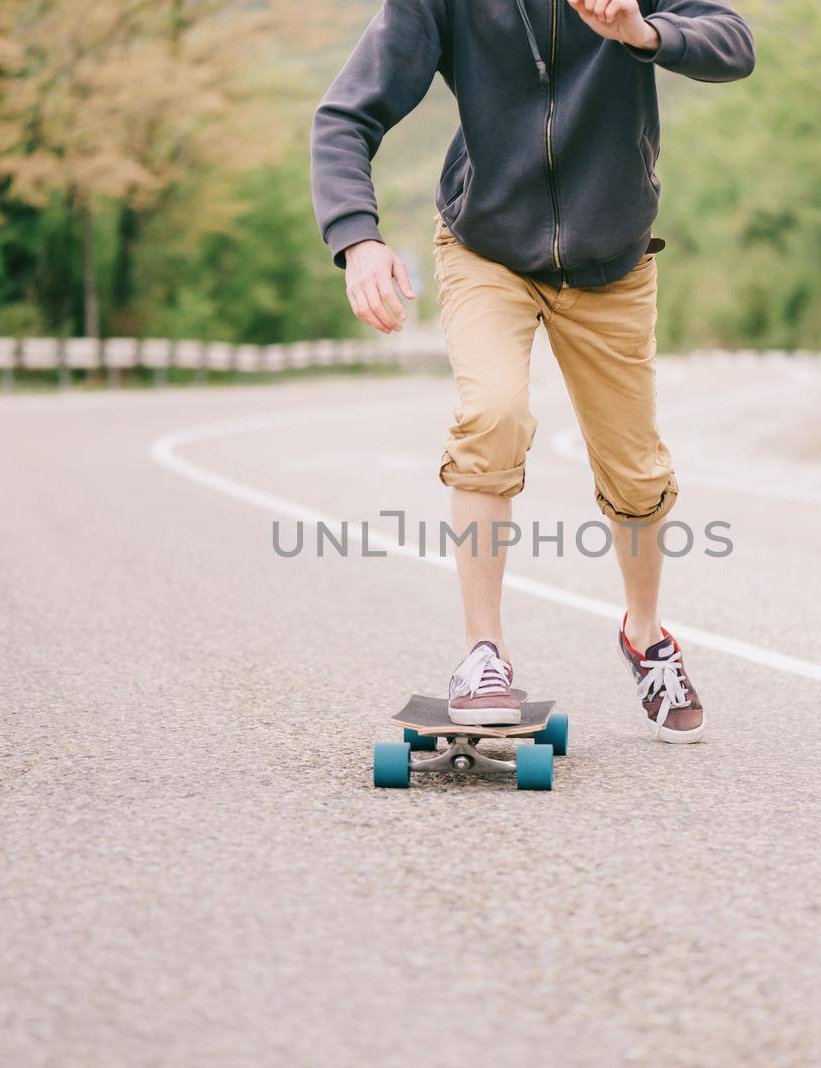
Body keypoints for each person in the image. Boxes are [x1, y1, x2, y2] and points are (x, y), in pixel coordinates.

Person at [311, 0, 754, 743]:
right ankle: (484, 654)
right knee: (493, 414)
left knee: (636, 469)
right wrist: (357, 239)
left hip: (612, 260)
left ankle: (644, 635)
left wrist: (644, 34)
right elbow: (344, 116)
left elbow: (732, 42)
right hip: (486, 244)